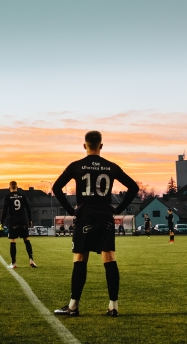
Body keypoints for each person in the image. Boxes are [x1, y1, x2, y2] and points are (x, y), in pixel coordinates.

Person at [51, 131, 140, 318]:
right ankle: (113, 306)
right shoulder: (111, 166)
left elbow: (56, 188)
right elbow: (134, 187)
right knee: (109, 258)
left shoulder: (76, 166)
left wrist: (70, 210)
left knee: (80, 259)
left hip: (85, 216)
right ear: (101, 145)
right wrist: (117, 209)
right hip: (105, 216)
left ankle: (73, 306)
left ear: (84, 146)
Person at [0, 181, 37, 269]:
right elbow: (28, 208)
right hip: (23, 220)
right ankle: (31, 260)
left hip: (13, 221)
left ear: (9, 187)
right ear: (17, 187)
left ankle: (14, 263)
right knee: (26, 240)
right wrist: (30, 219)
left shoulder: (7, 197)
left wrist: (1, 222)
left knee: (13, 241)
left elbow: (5, 210)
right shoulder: (22, 196)